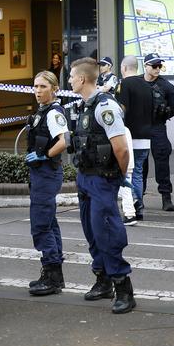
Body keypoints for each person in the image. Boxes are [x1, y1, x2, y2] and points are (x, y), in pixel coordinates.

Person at [69, 57, 135, 314]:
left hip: (102, 179)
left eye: (72, 76)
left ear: (83, 79)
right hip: (85, 177)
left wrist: (117, 177)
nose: (71, 81)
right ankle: (103, 280)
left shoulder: (104, 107)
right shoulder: (85, 105)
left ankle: (123, 287)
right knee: (91, 231)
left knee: (106, 231)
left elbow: (121, 148)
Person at [24, 71, 67, 296]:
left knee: (41, 224)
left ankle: (51, 275)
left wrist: (45, 155)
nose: (38, 91)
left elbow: (63, 141)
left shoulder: (53, 113)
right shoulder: (43, 111)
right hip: (42, 174)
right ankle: (54, 273)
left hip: (47, 173)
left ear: (54, 88)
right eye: (35, 86)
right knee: (49, 222)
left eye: (42, 87)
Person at [115, 58, 153, 221]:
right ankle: (138, 206)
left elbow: (121, 109)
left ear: (124, 68)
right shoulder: (147, 85)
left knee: (128, 173)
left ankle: (134, 203)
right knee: (138, 171)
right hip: (146, 134)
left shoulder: (124, 84)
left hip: (129, 135)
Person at [142, 53, 174, 212]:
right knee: (140, 164)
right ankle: (138, 196)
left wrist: (164, 114)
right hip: (140, 127)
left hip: (158, 126)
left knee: (162, 161)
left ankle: (166, 197)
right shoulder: (136, 82)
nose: (158, 69)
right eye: (154, 66)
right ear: (146, 66)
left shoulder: (166, 86)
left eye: (159, 66)